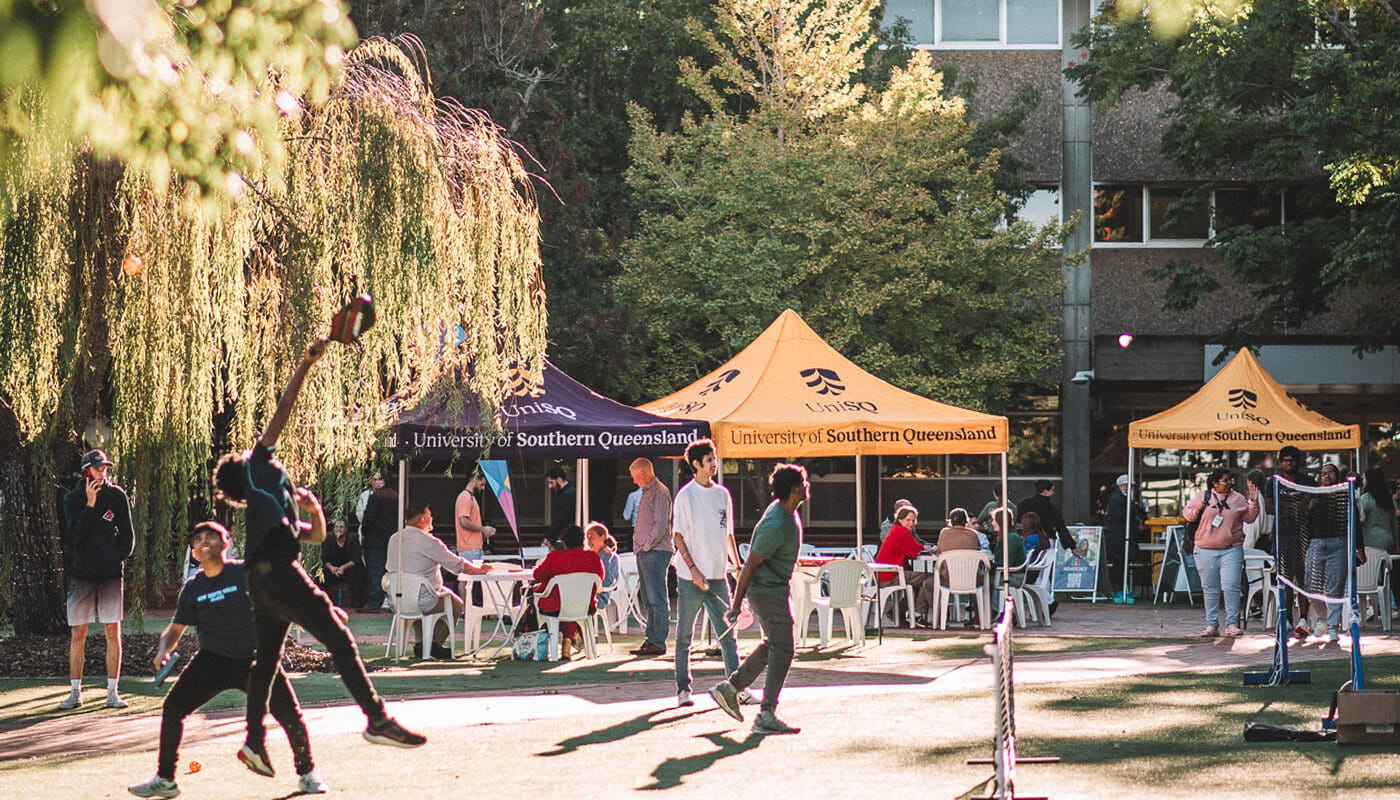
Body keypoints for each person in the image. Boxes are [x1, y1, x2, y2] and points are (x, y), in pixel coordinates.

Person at [212, 338, 424, 776]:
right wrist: (305, 364)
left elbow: (314, 536)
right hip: (278, 574)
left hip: (262, 581)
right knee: (340, 639)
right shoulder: (259, 467)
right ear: (244, 465)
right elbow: (284, 410)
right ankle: (377, 717)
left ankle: (253, 741)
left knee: (267, 661)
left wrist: (314, 511)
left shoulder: (272, 500)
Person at [127, 522, 327, 799]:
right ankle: (165, 780)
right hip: (213, 660)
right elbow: (175, 629)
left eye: (211, 536)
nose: (203, 541)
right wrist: (163, 650)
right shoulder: (193, 587)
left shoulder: (244, 572)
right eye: (197, 539)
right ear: (194, 552)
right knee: (173, 708)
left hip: (257, 660)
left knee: (290, 714)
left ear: (225, 543)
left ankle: (307, 774)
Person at [709, 464, 808, 735]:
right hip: (766, 591)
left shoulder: (787, 513)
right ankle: (766, 713)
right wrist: (736, 603)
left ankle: (729, 689)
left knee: (774, 644)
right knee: (784, 648)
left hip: (776, 588)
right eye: (803, 481)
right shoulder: (776, 523)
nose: (807, 485)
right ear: (794, 489)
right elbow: (749, 565)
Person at [58, 449, 135, 710]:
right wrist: (90, 505)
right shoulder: (72, 499)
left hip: (111, 575)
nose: (103, 471)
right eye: (98, 468)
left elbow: (128, 535)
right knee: (78, 632)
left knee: (113, 631)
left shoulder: (117, 495)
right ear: (86, 471)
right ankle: (74, 694)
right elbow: (75, 537)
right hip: (82, 575)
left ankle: (112, 693)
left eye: (105, 468)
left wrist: (115, 558)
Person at [670, 439, 741, 707]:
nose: (715, 463)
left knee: (728, 635)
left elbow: (728, 534)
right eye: (710, 459)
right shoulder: (685, 496)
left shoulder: (723, 494)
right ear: (697, 464)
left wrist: (738, 564)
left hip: (718, 576)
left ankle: (736, 687)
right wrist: (694, 571)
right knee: (684, 636)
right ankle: (683, 690)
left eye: (715, 458)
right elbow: (677, 537)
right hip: (691, 579)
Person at [385, 503, 490, 659]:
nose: (432, 519)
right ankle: (434, 644)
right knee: (455, 604)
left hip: (396, 598)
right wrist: (480, 570)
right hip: (423, 599)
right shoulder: (428, 541)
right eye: (429, 516)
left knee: (422, 602)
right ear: (422, 520)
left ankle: (421, 644)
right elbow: (456, 565)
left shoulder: (394, 538)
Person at [1182, 467, 1258, 638]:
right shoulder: (1202, 497)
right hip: (1205, 548)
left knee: (1231, 586)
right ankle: (1212, 624)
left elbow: (1249, 518)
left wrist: (1253, 503)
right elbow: (1188, 515)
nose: (1229, 482)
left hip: (1231, 549)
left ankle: (1232, 623)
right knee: (1210, 588)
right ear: (1215, 482)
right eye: (1225, 480)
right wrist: (1198, 509)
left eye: (1230, 479)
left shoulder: (1237, 498)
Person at [1264, 445, 1316, 637]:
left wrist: (1297, 508)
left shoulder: (1308, 481)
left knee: (1303, 579)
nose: (1289, 463)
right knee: (1284, 579)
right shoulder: (1274, 482)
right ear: (1281, 462)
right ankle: (1286, 619)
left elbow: (1313, 504)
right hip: (1282, 535)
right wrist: (1295, 507)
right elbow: (1269, 507)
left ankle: (1303, 618)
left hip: (1304, 535)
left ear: (1298, 462)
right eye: (1285, 460)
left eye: (1292, 460)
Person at [532, 524, 604, 661]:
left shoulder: (555, 557)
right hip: (584, 606)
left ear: (563, 542)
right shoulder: (593, 558)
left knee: (557, 602)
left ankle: (538, 644)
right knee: (571, 603)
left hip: (555, 606)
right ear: (583, 540)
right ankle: (567, 643)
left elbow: (537, 575)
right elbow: (600, 578)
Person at [628, 456, 673, 657]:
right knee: (648, 598)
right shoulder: (647, 492)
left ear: (644, 475)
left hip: (655, 551)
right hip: (646, 551)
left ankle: (658, 641)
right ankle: (651, 638)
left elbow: (661, 524)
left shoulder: (660, 492)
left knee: (656, 598)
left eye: (635, 477)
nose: (634, 481)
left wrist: (646, 545)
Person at [873, 504, 934, 626]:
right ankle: (918, 614)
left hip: (884, 574)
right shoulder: (902, 532)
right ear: (899, 519)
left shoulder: (895, 530)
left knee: (917, 583)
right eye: (907, 520)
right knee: (929, 579)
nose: (911, 523)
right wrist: (928, 548)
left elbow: (912, 549)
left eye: (913, 520)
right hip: (891, 575)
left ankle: (899, 612)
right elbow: (914, 550)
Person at [1101, 474, 1146, 603]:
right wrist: (1135, 508)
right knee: (1119, 566)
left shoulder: (1124, 499)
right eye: (1125, 486)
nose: (1127, 488)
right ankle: (1118, 591)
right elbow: (1121, 516)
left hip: (1122, 538)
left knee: (1121, 565)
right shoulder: (1118, 499)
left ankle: (1121, 590)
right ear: (1119, 486)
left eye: (1129, 486)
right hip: (1119, 539)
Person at [359, 473, 398, 612]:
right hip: (393, 539)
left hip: (375, 540)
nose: (376, 482)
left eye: (379, 479)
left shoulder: (376, 497)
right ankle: (392, 601)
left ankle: (374, 603)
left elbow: (368, 518)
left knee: (375, 571)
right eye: (374, 479)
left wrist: (364, 532)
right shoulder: (396, 496)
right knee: (391, 571)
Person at [1018, 480, 1075, 550]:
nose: (1053, 492)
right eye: (1052, 490)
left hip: (1029, 537)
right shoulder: (1051, 508)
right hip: (1047, 539)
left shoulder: (1025, 504)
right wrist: (1071, 546)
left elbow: (1017, 518)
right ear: (1045, 491)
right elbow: (1060, 526)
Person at [319, 520, 363, 610]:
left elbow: (356, 559)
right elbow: (324, 558)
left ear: (346, 529)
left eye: (341, 527)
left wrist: (343, 567)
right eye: (336, 527)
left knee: (358, 572)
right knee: (320, 574)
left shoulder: (352, 539)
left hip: (347, 568)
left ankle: (356, 603)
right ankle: (322, 602)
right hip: (332, 569)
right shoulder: (329, 540)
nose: (338, 529)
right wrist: (331, 568)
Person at [454, 470, 496, 560]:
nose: (483, 488)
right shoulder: (465, 497)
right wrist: (483, 529)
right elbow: (463, 522)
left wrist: (484, 533)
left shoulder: (469, 497)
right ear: (475, 480)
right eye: (482, 484)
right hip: (469, 548)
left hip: (472, 548)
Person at [1359, 468, 1396, 552]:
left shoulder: (1366, 498)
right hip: (1387, 539)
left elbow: (1359, 518)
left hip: (1370, 541)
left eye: (1364, 478)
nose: (1362, 481)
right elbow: (1394, 523)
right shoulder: (1388, 498)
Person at [585, 522, 620, 610]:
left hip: (598, 597)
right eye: (587, 538)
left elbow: (606, 583)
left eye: (592, 537)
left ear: (603, 537)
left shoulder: (610, 557)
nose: (589, 541)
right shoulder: (587, 555)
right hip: (584, 594)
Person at [544, 465, 577, 550]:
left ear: (559, 479)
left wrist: (549, 536)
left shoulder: (566, 495)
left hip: (564, 537)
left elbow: (560, 518)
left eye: (551, 482)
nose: (550, 486)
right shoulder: (570, 491)